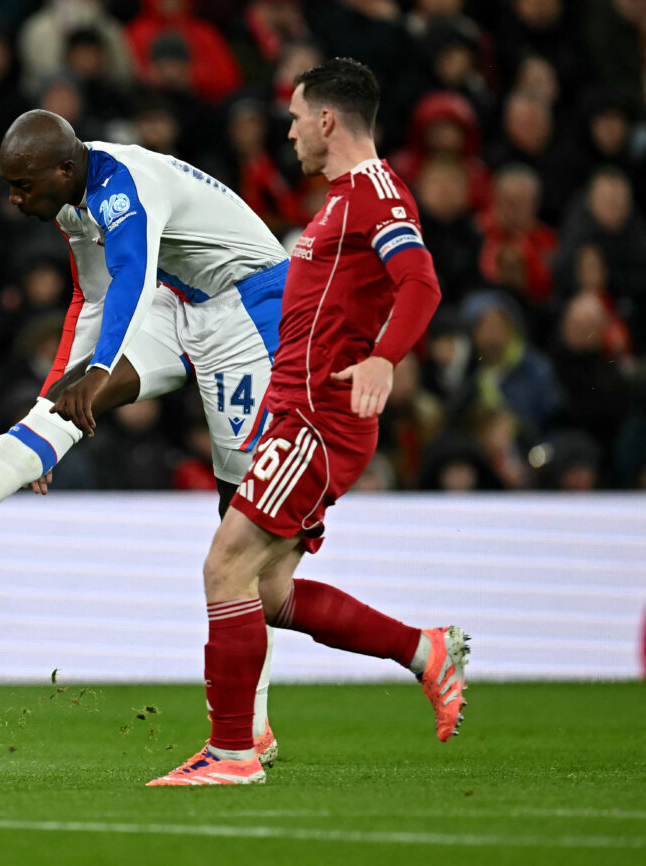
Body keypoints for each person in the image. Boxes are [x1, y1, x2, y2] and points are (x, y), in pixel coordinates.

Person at [0, 108, 288, 763]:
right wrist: (55, 405)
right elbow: (93, 300)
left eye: (23, 185)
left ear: (62, 168)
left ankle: (257, 726)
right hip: (181, 301)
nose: (14, 198)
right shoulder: (73, 196)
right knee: (60, 410)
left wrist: (102, 369)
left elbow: (131, 275)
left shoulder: (123, 189)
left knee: (239, 535)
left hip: (252, 308)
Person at [148, 58, 467, 788]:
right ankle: (425, 652)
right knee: (265, 593)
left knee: (223, 565)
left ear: (328, 119)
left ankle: (231, 754)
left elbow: (420, 281)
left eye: (295, 117)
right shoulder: (337, 202)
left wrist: (386, 358)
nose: (288, 130)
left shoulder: (374, 194)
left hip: (319, 421)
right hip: (291, 414)